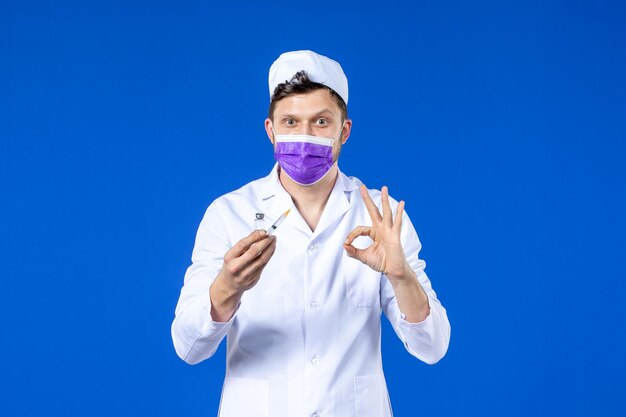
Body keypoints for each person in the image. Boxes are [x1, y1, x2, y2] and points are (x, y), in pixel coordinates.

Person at [171, 50, 451, 417]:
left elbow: (432, 348)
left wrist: (401, 276)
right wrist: (227, 287)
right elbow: (189, 349)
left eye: (321, 122)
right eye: (290, 121)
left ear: (344, 130)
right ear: (271, 130)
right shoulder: (229, 213)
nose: (305, 137)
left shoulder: (381, 217)